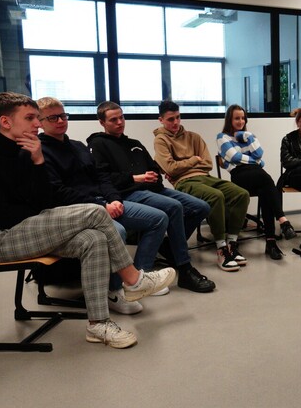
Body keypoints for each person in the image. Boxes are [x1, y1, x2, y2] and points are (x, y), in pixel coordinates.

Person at [0, 92, 175, 349]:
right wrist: (60, 221)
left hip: (30, 228)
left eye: (37, 118)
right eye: (30, 118)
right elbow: (5, 218)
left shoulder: (26, 153)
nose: (37, 124)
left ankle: (98, 323)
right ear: (5, 122)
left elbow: (43, 199)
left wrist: (38, 162)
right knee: (95, 212)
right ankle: (134, 280)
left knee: (94, 239)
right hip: (1, 240)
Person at [37, 96, 174, 315]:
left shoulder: (77, 146)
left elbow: (101, 177)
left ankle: (139, 278)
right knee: (117, 231)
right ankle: (114, 291)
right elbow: (59, 192)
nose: (61, 121)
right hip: (77, 210)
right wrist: (101, 204)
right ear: (40, 122)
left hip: (103, 202)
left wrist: (113, 199)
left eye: (63, 115)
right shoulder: (40, 152)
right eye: (53, 118)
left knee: (158, 218)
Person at [86, 101, 216, 293]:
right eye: (113, 120)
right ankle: (183, 268)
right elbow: (103, 179)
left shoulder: (135, 144)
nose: (120, 122)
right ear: (102, 122)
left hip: (153, 190)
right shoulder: (98, 145)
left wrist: (152, 177)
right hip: (129, 193)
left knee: (201, 207)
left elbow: (155, 168)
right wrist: (135, 178)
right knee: (174, 207)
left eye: (121, 117)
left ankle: (169, 247)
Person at [152, 100, 251, 272]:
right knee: (216, 196)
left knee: (241, 194)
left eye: (178, 117)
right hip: (185, 182)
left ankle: (232, 245)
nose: (175, 122)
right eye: (170, 119)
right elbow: (170, 168)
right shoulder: (160, 140)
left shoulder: (194, 137)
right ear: (161, 120)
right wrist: (193, 160)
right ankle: (221, 249)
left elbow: (207, 164)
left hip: (206, 177)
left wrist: (181, 165)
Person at [216, 105, 297, 260]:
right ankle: (282, 222)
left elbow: (259, 154)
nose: (241, 121)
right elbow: (235, 158)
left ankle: (271, 242)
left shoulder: (249, 136)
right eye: (237, 118)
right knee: (267, 180)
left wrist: (248, 136)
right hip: (239, 176)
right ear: (229, 120)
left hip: (257, 176)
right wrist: (254, 161)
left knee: (266, 191)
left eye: (243, 118)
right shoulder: (222, 137)